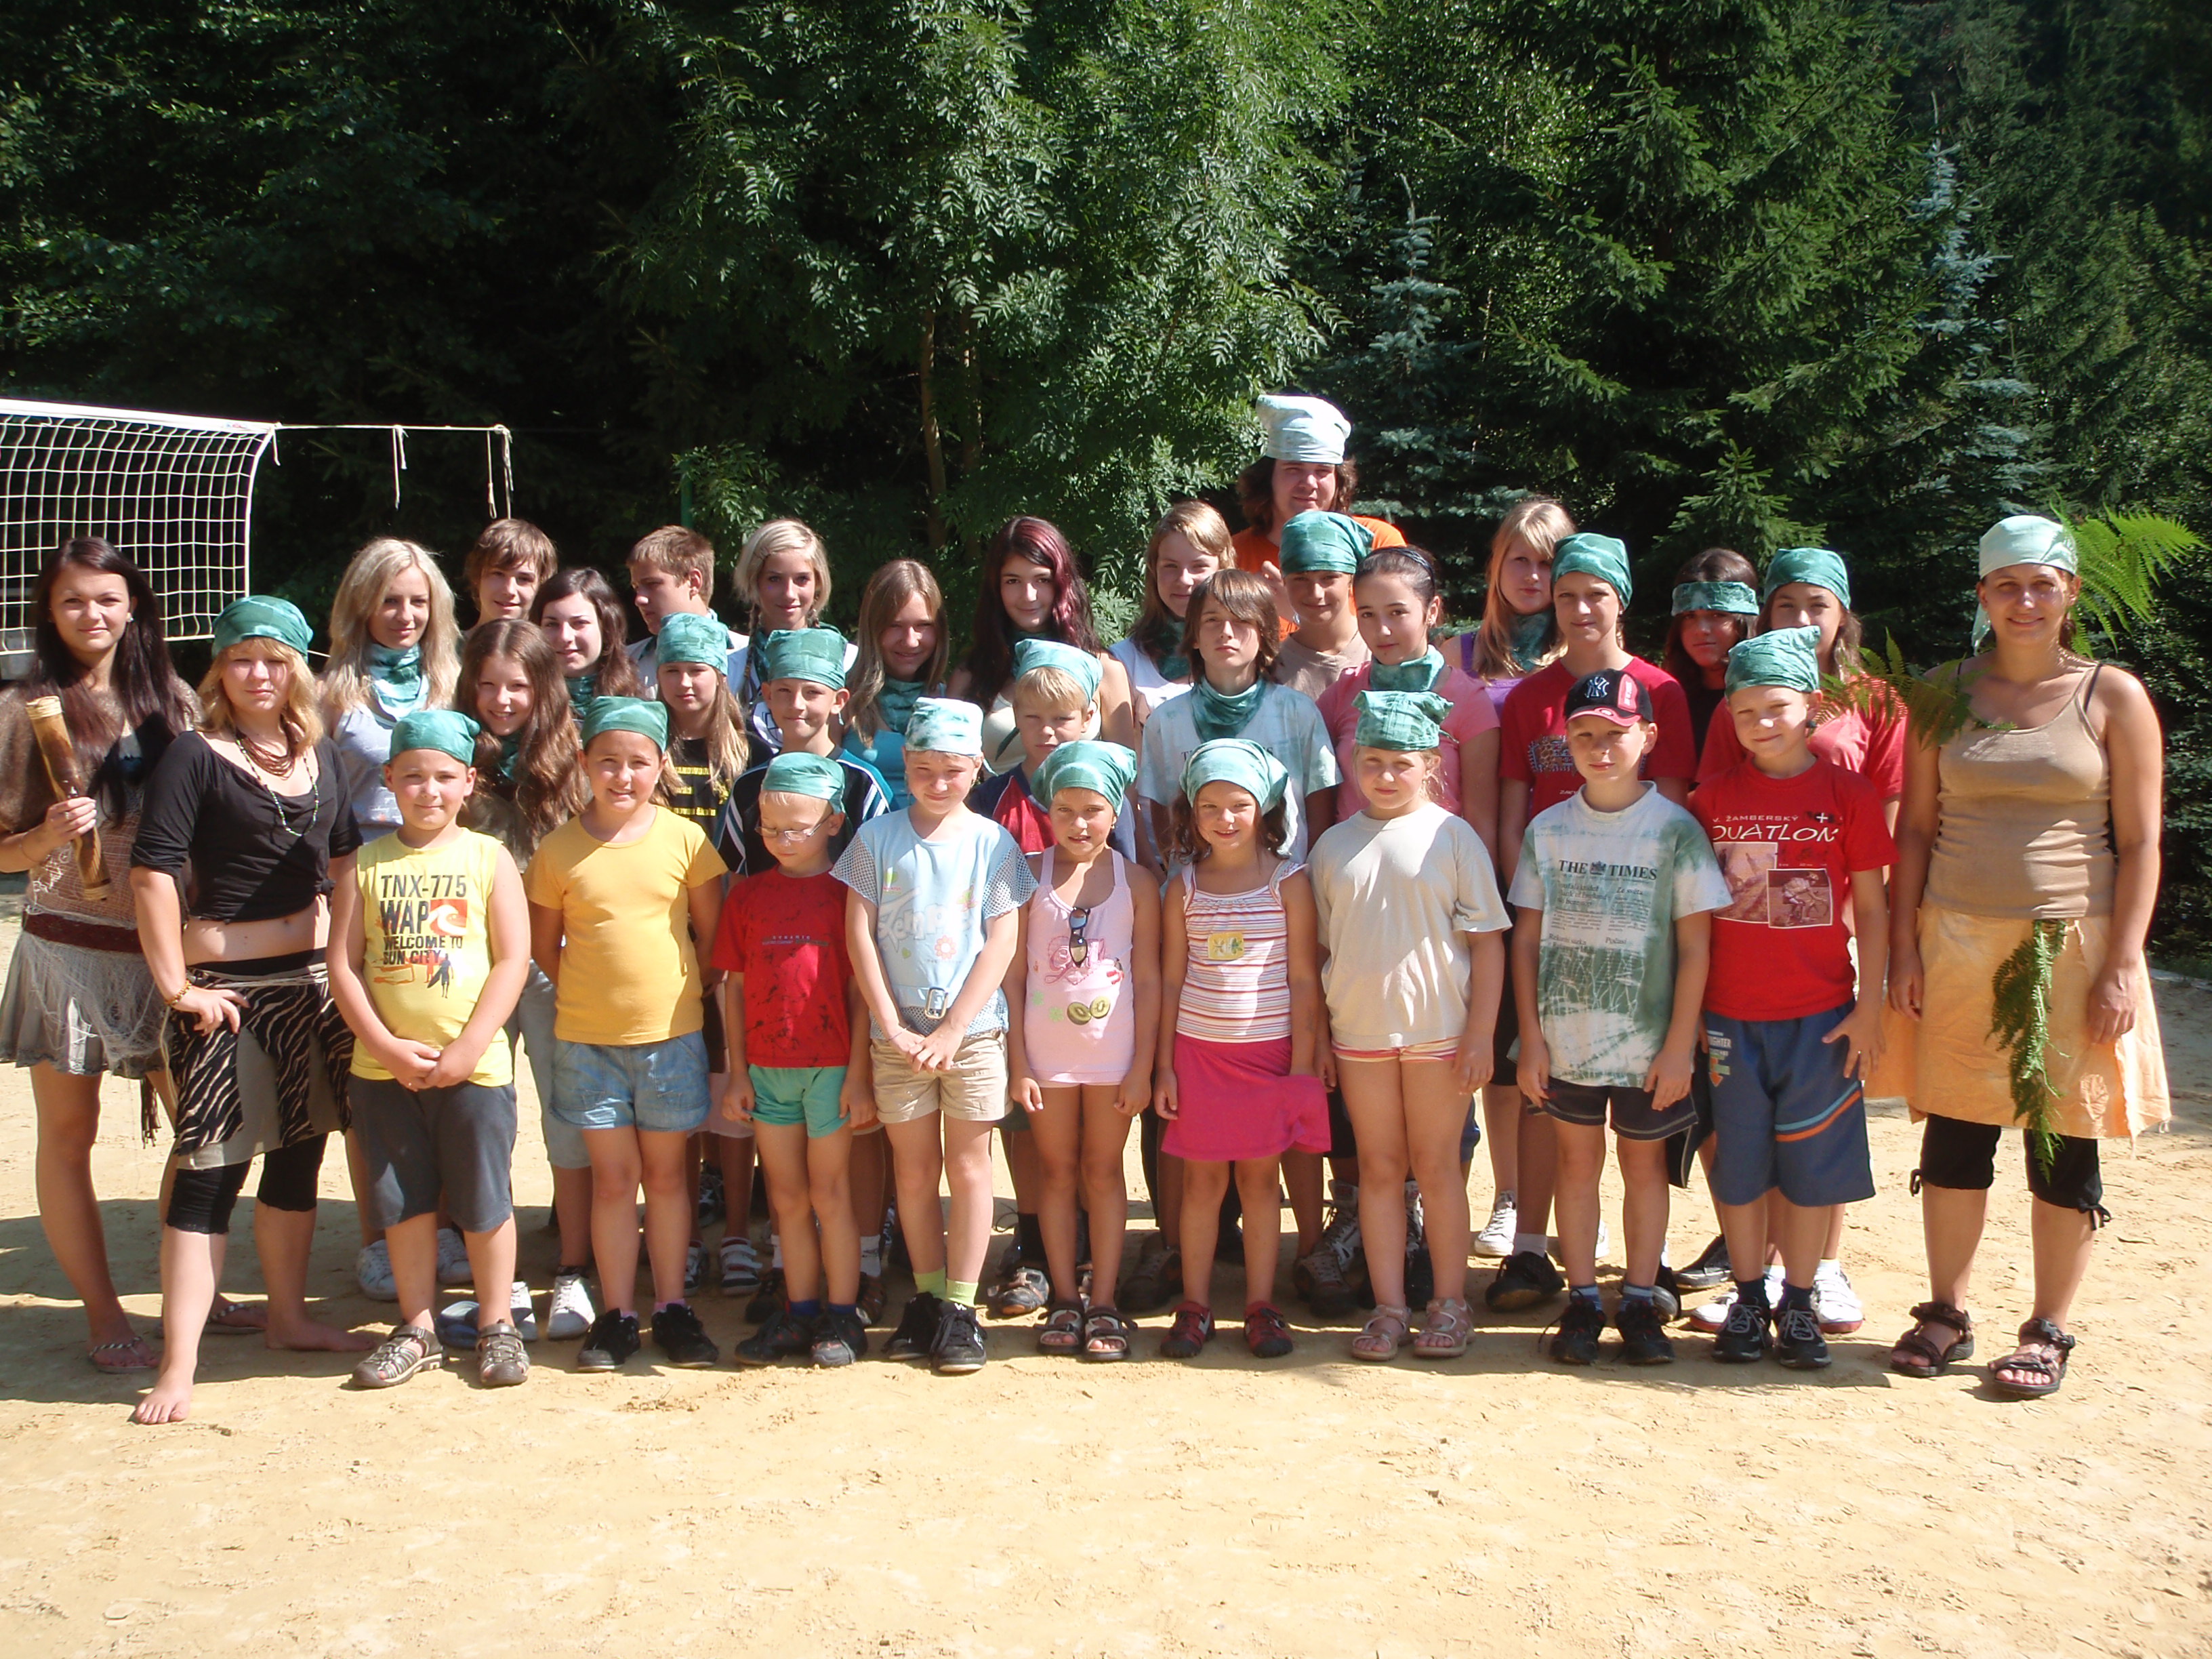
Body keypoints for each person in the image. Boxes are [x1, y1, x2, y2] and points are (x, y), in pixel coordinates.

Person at [1881, 515, 2168, 1399]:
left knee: (2064, 1142)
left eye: (2043, 583)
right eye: (2007, 584)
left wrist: (2123, 963)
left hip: (2073, 947)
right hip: (1957, 941)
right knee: (1957, 1133)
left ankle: (2047, 1329)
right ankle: (1945, 1311)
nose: (2026, 600)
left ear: (2070, 592)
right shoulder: (1942, 693)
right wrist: (1903, 948)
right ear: (1983, 595)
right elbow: (1915, 829)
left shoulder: (2113, 697)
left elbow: (2142, 843)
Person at [128, 596, 375, 1424]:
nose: (258, 674)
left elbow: (346, 864)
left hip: (309, 990)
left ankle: (288, 1319)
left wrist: (344, 968)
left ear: (297, 668)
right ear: (221, 668)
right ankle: (179, 1365)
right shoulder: (193, 755)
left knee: (298, 1161)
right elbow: (153, 873)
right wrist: (178, 988)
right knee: (210, 1176)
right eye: (242, 659)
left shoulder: (321, 754)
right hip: (225, 997)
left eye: (275, 660)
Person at [1686, 546, 1902, 1318]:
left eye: (1819, 604)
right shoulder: (1714, 791)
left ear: (1811, 707)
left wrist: (1869, 1001)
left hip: (1821, 994)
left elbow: (1873, 890)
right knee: (1743, 1151)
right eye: (1787, 603)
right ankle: (1753, 1285)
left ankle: (1812, 1281)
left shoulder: (1864, 746)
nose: (1760, 724)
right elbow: (1698, 899)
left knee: (1815, 1151)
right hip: (1731, 1005)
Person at [0, 537, 197, 1373]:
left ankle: (194, 1286)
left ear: (134, 606)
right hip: (67, 949)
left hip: (167, 950)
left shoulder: (176, 703)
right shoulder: (20, 710)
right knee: (68, 1136)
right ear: (49, 612)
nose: (93, 614)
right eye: (73, 600)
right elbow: (2, 852)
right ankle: (104, 1311)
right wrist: (45, 835)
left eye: (108, 598)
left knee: (203, 1130)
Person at [1490, 533, 1697, 1313]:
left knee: (1641, 1120)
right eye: (1566, 594)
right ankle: (1531, 1247)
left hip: (1636, 927)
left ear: (1621, 600)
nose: (1579, 608)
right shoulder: (1529, 697)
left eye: (1595, 595)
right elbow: (1513, 812)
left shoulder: (1661, 692)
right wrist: (1533, 907)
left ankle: (1648, 1267)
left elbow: (1670, 809)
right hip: (1553, 916)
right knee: (1547, 1092)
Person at [1509, 670, 1729, 1367]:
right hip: (1565, 1039)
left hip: (1648, 1046)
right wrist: (1531, 1039)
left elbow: (1696, 946)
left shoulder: (1675, 830)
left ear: (1649, 737)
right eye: (1584, 736)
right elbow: (1526, 939)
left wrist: (1678, 1047)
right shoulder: (1548, 828)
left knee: (1643, 1167)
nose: (1600, 749)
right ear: (1565, 742)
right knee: (1576, 1165)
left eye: (1616, 734)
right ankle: (1581, 1299)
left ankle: (1637, 1299)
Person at [329, 712, 532, 1389]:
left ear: (469, 781)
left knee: (484, 1200)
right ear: (389, 779)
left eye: (444, 776)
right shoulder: (365, 864)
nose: (429, 790)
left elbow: (513, 960)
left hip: (475, 1070)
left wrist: (470, 1046)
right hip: (383, 1072)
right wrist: (384, 1046)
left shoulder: (488, 858)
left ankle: (497, 1324)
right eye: (413, 776)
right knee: (405, 1203)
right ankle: (417, 1327)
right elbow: (344, 965)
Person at [525, 696, 726, 1372]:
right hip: (588, 1044)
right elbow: (545, 947)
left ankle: (671, 1307)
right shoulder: (557, 850)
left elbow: (710, 935)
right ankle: (616, 1315)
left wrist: (679, 998)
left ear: (661, 764)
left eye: (638, 762)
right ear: (583, 762)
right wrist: (592, 1001)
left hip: (672, 1039)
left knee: (667, 1178)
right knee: (613, 1182)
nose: (622, 775)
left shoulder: (685, 841)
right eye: (607, 761)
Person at [1309, 691, 1510, 1361]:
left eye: (1401, 763)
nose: (1386, 775)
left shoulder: (1454, 837)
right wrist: (1321, 1038)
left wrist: (1480, 1034)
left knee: (1437, 1167)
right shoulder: (1333, 846)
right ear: (1354, 763)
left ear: (1431, 764)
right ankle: (1390, 1307)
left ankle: (1450, 1303)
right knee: (1379, 1168)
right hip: (1359, 1035)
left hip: (1439, 1035)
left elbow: (1488, 944)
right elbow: (1322, 949)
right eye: (1372, 761)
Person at [837, 699, 1036, 1376]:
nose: (938, 782)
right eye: (923, 769)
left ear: (977, 767)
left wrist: (953, 1028)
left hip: (972, 1036)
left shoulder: (994, 844)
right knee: (915, 1172)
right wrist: (891, 1024)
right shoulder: (876, 839)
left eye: (952, 770)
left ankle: (960, 1307)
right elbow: (859, 932)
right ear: (907, 764)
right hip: (898, 1038)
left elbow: (1003, 940)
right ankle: (924, 1299)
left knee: (971, 1166)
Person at [1152, 739, 1327, 1361]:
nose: (1224, 819)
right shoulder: (1183, 889)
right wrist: (1165, 1066)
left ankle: (1260, 1306)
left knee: (1259, 1183)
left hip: (1270, 1059)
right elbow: (1171, 980)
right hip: (1199, 1059)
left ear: (1266, 809)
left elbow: (1304, 978)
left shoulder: (1290, 883)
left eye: (1239, 805)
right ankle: (1195, 1306)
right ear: (1190, 813)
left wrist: (1301, 1067)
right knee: (1202, 1185)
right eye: (1209, 807)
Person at [711, 752, 875, 1369]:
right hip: (766, 1069)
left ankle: (842, 1313)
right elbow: (732, 986)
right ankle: (800, 1310)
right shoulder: (748, 897)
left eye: (796, 829)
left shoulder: (848, 897)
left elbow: (860, 993)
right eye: (770, 829)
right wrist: (737, 1071)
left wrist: (858, 1076)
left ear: (832, 823)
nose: (781, 840)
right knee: (785, 1197)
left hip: (830, 1069)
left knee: (830, 1194)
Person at [457, 619, 596, 1338]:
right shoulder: (454, 756)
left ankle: (574, 1265)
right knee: (483, 1118)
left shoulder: (575, 760)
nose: (501, 699)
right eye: (487, 684)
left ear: (544, 686)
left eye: (517, 685)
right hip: (470, 968)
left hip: (550, 963)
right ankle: (498, 1274)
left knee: (566, 1114)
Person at [1002, 741, 1160, 1361]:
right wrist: (1018, 1063)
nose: (1078, 824)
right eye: (1064, 810)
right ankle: (1065, 1297)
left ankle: (1105, 1300)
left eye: (1093, 810)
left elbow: (1149, 980)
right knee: (1057, 1173)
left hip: (1113, 1057)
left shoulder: (1136, 882)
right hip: (1046, 1059)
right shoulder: (1026, 876)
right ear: (1048, 811)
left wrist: (1143, 1067)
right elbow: (1013, 977)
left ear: (1115, 812)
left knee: (1103, 1171)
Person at [1445, 494, 1572, 1263]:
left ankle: (1561, 1201)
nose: (1532, 575)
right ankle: (1510, 1196)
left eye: (1548, 562)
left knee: (1557, 1046)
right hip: (1476, 878)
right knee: (1498, 1046)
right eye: (1518, 559)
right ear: (1496, 567)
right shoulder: (1459, 654)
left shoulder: (1582, 658)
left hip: (1566, 884)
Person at [650, 611, 756, 1300]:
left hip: (732, 944)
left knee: (729, 1094)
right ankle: (682, 1234)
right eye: (673, 671)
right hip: (661, 946)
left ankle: (739, 1231)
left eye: (699, 671)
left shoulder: (748, 753)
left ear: (721, 675)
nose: (686, 684)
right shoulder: (645, 750)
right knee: (679, 1100)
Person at [1315, 542, 1499, 855]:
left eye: (1397, 612)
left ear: (1432, 611)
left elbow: (1482, 822)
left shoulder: (1469, 701)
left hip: (1436, 870)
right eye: (1368, 614)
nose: (1382, 630)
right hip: (1351, 869)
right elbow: (1320, 802)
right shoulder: (1342, 694)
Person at [1698, 548, 1907, 814]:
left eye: (1818, 606)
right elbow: (1714, 800)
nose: (1801, 620)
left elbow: (1891, 805)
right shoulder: (1741, 701)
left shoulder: (1880, 702)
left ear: (1842, 615)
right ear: (1769, 616)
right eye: (1786, 606)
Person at [949, 516, 1135, 775]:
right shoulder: (970, 677)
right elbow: (950, 774)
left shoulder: (1104, 669)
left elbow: (1127, 775)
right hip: (996, 801)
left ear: (1063, 583)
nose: (1028, 595)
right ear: (996, 588)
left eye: (1042, 580)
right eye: (1013, 581)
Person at [716, 627, 887, 880]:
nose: (796, 704)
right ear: (768, 695)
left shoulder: (863, 784)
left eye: (812, 692)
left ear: (839, 700)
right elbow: (736, 878)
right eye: (784, 691)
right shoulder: (749, 787)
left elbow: (885, 870)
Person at [321, 538, 462, 840]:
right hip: (357, 859)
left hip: (441, 861)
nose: (406, 616)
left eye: (418, 602)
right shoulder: (328, 695)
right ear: (361, 606)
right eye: (390, 601)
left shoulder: (456, 688)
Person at [1231, 394, 1406, 605]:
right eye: (1294, 469)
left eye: (1323, 471)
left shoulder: (1376, 543)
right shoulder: (1233, 555)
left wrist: (1296, 612)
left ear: (1339, 480)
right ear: (1267, 477)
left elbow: (1397, 624)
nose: (1309, 483)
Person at [723, 520, 852, 754]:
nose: (789, 593)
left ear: (818, 583)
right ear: (755, 582)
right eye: (774, 579)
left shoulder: (850, 662)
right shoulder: (731, 670)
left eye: (802, 579)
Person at [843, 559, 949, 812]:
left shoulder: (951, 698)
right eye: (895, 626)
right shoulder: (844, 699)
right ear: (873, 628)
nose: (910, 641)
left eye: (923, 626)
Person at [1109, 502, 1225, 727]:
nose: (1184, 580)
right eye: (1171, 566)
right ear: (1154, 570)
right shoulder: (1123, 661)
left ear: (1223, 568)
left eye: (1199, 566)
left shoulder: (1246, 654)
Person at [1662, 548, 1761, 763]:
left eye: (1717, 615)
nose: (1702, 630)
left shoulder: (1770, 699)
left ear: (1744, 622)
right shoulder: (1664, 698)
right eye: (1689, 616)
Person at [1269, 508, 1372, 701]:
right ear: (1284, 581)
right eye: (1301, 579)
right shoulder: (1271, 670)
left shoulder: (1382, 651)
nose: (1316, 593)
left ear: (1352, 580)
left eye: (1328, 578)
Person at [625, 524, 745, 687]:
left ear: (694, 582)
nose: (639, 599)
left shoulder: (749, 657)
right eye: (637, 588)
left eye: (652, 584)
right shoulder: (625, 666)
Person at [532, 566, 644, 720]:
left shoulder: (634, 710)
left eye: (579, 623)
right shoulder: (521, 706)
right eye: (552, 624)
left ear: (606, 628)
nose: (565, 637)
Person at [464, 518, 558, 624]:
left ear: (541, 586)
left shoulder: (558, 635)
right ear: (477, 577)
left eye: (524, 579)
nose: (509, 590)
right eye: (498, 574)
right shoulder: (450, 636)